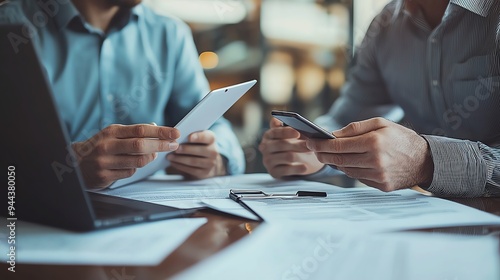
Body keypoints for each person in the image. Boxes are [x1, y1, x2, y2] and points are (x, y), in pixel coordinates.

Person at [259, 0, 500, 197]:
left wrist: (427, 162)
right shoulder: (385, 25)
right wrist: (315, 152)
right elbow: (346, 121)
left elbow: (420, 161)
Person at [0, 0, 245, 189]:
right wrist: (64, 168)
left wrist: (217, 157)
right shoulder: (10, 27)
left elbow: (217, 126)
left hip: (154, 218)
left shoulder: (169, 34)